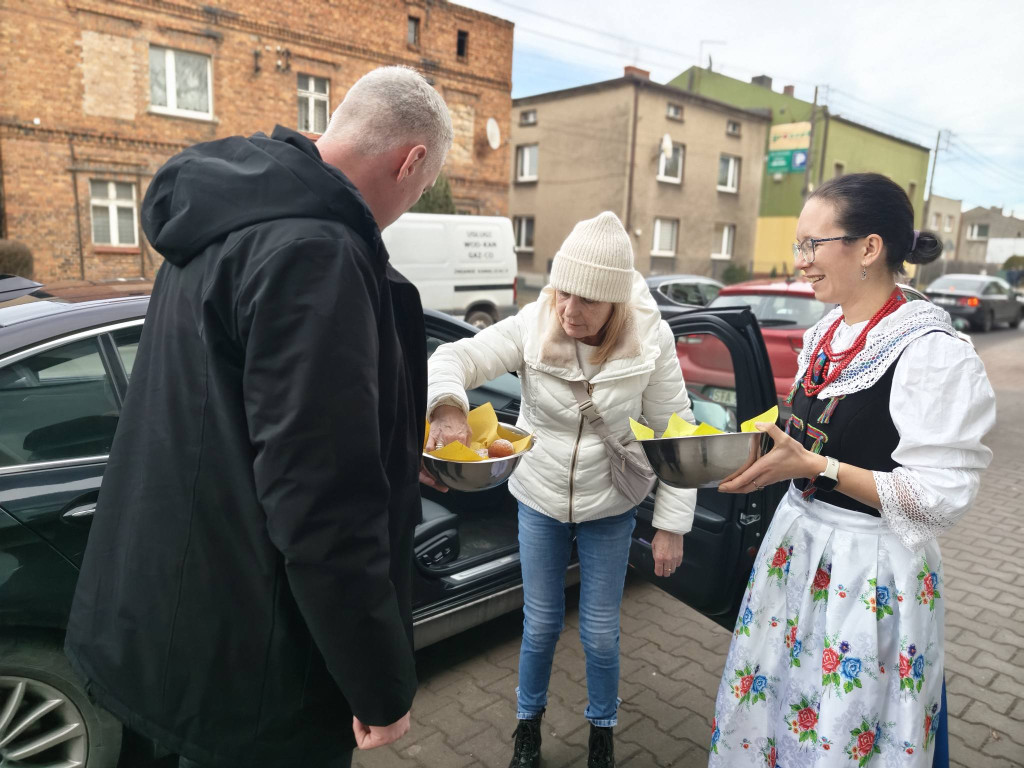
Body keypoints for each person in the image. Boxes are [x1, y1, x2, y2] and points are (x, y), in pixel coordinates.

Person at [64, 66, 453, 768]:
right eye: (420, 193)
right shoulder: (317, 254)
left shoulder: (220, 222)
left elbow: (227, 425)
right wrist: (377, 683)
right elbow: (321, 502)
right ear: (412, 160)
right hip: (257, 670)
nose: (408, 205)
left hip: (174, 632)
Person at [709, 173, 995, 767]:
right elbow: (818, 437)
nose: (802, 262)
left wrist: (821, 466)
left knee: (844, 729)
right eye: (798, 246)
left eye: (813, 244)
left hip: (868, 574)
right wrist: (762, 454)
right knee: (780, 705)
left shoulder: (928, 351)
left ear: (868, 248)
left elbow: (936, 498)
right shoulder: (826, 335)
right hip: (798, 551)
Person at [425, 211, 697, 768]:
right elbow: (454, 356)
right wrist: (449, 406)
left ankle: (603, 731)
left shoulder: (650, 340)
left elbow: (676, 428)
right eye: (562, 292)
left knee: (599, 632)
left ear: (615, 301)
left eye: (587, 301)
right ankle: (527, 727)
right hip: (539, 496)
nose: (569, 311)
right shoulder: (534, 321)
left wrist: (671, 524)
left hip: (612, 501)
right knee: (542, 623)